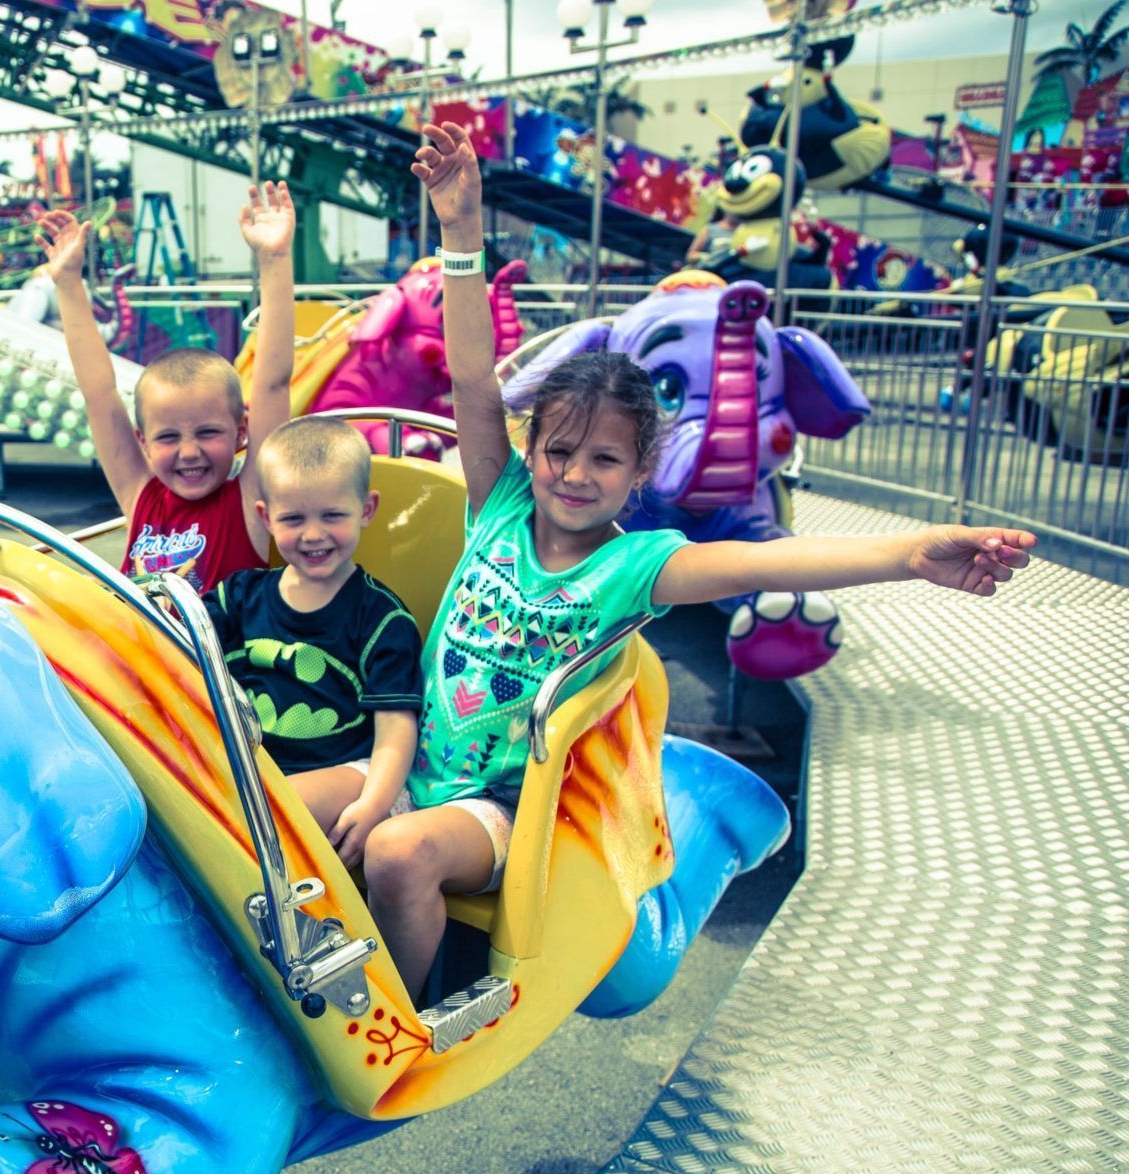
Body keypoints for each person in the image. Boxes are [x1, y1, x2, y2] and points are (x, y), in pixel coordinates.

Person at [363, 121, 1039, 1000]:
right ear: (531, 451)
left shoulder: (636, 566)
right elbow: (472, 376)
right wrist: (460, 233)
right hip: (406, 751)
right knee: (273, 793)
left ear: (639, 472)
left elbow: (774, 564)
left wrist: (914, 554)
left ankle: (390, 1031)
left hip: (488, 804)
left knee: (395, 850)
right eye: (559, 452)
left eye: (603, 460)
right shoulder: (500, 505)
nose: (573, 474)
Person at [38, 183, 297, 592]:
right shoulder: (142, 496)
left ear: (242, 431)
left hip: (205, 656)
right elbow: (99, 393)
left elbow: (272, 384)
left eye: (208, 432)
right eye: (169, 437)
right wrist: (69, 282)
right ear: (142, 441)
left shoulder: (248, 502)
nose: (189, 452)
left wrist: (275, 258)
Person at [204, 416, 422, 866]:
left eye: (332, 515)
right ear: (266, 517)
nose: (313, 534)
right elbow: (172, 646)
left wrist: (373, 805)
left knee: (265, 807)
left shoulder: (382, 618)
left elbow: (395, 731)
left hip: (353, 771)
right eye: (294, 518)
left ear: (366, 509)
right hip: (256, 767)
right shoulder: (238, 597)